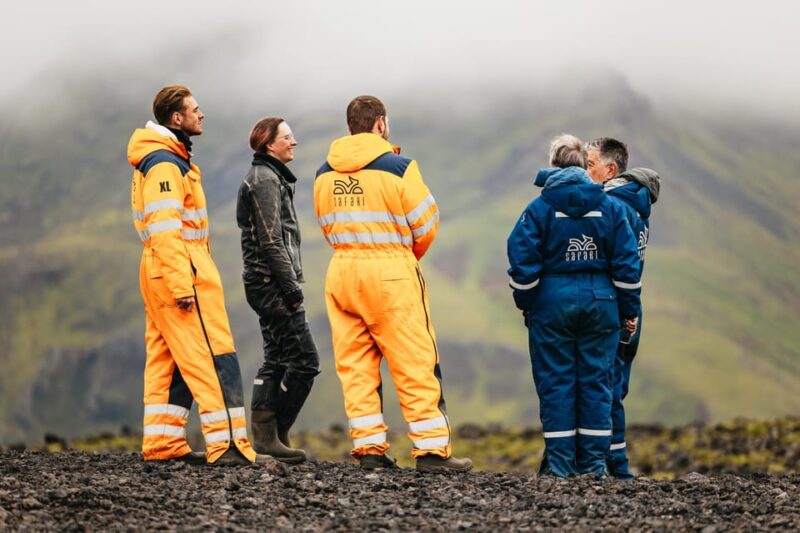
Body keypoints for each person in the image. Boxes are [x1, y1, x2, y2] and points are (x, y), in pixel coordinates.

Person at [313, 95, 472, 472]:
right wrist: (403, 255)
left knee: (355, 364)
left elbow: (324, 223)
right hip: (390, 271)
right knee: (415, 360)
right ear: (380, 124)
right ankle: (432, 452)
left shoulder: (323, 172)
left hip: (342, 269)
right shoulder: (400, 168)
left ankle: (369, 450)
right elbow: (426, 222)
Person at [127, 85, 263, 465]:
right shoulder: (166, 165)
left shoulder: (163, 159)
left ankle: (164, 443)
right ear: (177, 118)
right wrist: (181, 284)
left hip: (161, 268)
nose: (201, 115)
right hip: (179, 265)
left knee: (168, 357)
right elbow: (166, 228)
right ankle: (230, 444)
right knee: (210, 352)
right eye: (195, 110)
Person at [507, 134, 641, 478]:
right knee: (597, 382)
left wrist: (529, 303)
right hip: (602, 307)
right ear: (584, 166)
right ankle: (594, 467)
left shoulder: (538, 209)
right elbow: (627, 266)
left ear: (553, 165)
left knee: (556, 383)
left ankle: (560, 465)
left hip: (551, 309)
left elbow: (521, 262)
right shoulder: (612, 208)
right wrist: (628, 310)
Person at [236, 117, 320, 463]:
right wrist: (292, 290)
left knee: (275, 358)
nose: (294, 141)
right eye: (287, 137)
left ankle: (269, 437)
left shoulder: (268, 177)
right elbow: (271, 242)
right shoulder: (266, 180)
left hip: (263, 282)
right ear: (269, 144)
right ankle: (276, 430)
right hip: (271, 284)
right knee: (305, 361)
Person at [587, 137, 661, 479]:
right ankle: (616, 465)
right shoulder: (636, 205)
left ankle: (612, 466)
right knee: (617, 387)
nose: (585, 172)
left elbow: (615, 265)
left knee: (606, 388)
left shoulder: (612, 207)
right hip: (632, 308)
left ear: (610, 169)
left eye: (590, 165)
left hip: (616, 309)